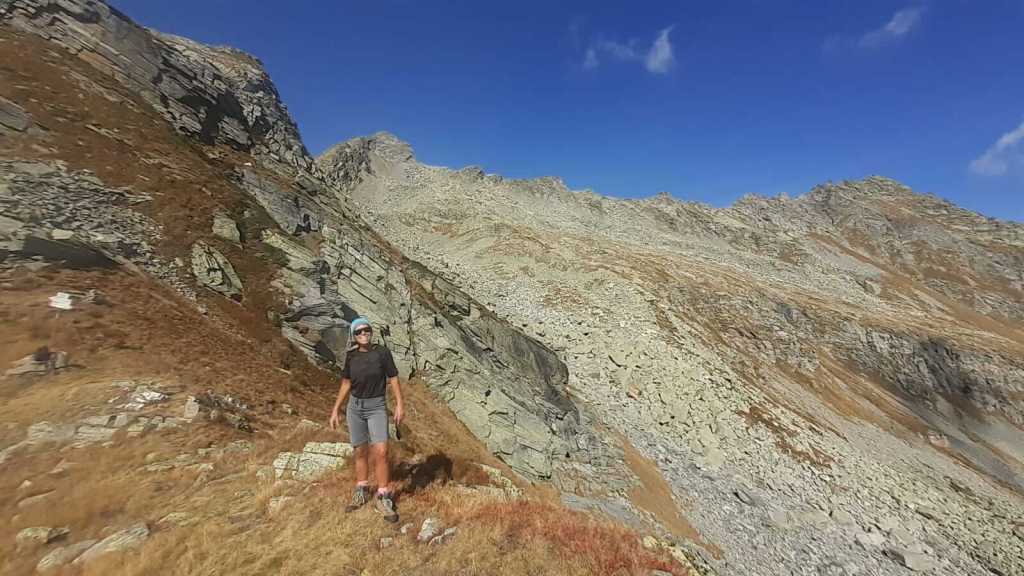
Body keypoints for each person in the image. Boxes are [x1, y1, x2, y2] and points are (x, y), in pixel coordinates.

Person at [329, 316, 404, 523]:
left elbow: (393, 378)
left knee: (382, 451)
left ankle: (383, 496)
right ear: (354, 336)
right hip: (355, 408)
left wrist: (400, 404)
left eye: (366, 330)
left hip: (376, 406)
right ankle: (362, 489)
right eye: (359, 332)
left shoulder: (382, 353)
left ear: (371, 332)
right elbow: (346, 383)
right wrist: (336, 409)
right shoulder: (351, 356)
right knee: (360, 451)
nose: (364, 334)